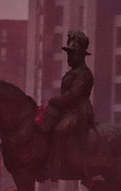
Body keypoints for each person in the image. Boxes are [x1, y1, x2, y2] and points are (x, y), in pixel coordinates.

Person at [44, 30, 95, 181]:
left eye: (72, 53)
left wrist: (55, 101)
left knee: (60, 130)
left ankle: (55, 169)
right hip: (65, 110)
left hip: (78, 112)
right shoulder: (72, 72)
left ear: (80, 55)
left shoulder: (84, 74)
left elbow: (73, 95)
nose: (69, 56)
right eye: (68, 53)